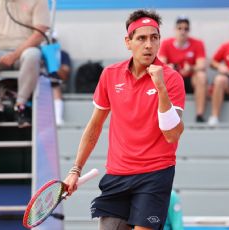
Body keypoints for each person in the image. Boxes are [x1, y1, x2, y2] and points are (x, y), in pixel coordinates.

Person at [63, 10, 185, 230]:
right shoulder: (110, 75)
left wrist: (161, 89)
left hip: (155, 174)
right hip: (118, 175)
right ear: (128, 42)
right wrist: (75, 170)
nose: (148, 44)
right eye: (141, 38)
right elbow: (95, 126)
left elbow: (172, 134)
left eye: (154, 38)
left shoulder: (172, 79)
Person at [0, 0, 50, 127]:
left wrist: (15, 55)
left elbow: (39, 34)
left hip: (25, 50)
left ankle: (21, 105)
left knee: (33, 55)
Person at [158, 16, 207, 122]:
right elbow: (161, 64)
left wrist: (191, 68)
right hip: (173, 79)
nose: (182, 31)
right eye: (180, 28)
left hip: (190, 79)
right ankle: (165, 114)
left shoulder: (198, 43)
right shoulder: (166, 44)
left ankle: (199, 115)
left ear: (189, 30)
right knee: (161, 76)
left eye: (186, 29)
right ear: (175, 29)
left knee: (201, 76)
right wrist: (170, 67)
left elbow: (202, 65)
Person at [51, 38, 72, 126]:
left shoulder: (63, 55)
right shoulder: (38, 52)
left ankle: (58, 118)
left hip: (57, 83)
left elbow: (65, 76)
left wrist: (52, 62)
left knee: (55, 87)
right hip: (40, 83)